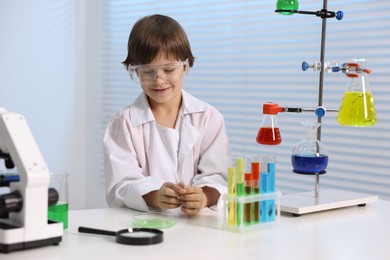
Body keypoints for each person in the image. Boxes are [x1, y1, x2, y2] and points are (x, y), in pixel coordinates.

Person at [103, 14, 230, 216]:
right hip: (147, 227)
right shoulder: (123, 123)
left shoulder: (208, 118)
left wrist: (203, 197)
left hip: (198, 227)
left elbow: (218, 177)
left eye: (169, 69)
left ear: (186, 66)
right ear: (135, 71)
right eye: (147, 71)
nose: (159, 80)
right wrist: (156, 196)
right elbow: (121, 184)